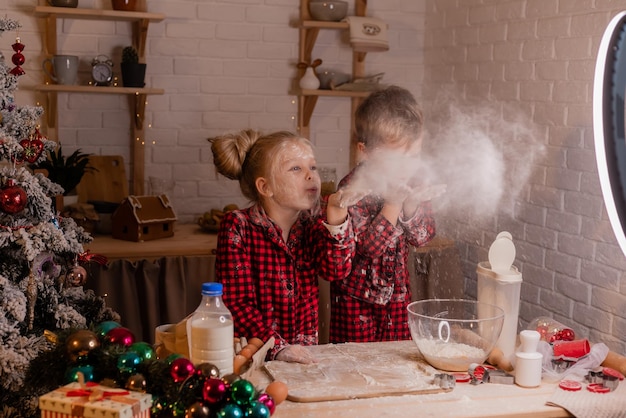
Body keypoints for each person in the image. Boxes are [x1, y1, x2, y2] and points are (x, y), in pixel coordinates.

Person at [209, 129, 354, 364]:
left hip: (305, 356)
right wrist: (277, 346)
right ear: (265, 187)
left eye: (313, 167)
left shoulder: (315, 223)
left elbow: (335, 270)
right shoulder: (238, 226)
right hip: (254, 357)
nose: (311, 176)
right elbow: (236, 303)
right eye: (296, 168)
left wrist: (337, 217)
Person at [329, 85, 445, 343]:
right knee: (355, 366)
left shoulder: (413, 182)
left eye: (413, 156)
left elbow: (421, 238)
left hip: (397, 297)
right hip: (356, 301)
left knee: (396, 359)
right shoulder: (352, 189)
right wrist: (393, 204)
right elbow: (369, 249)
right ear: (366, 151)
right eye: (396, 159)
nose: (406, 168)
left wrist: (411, 205)